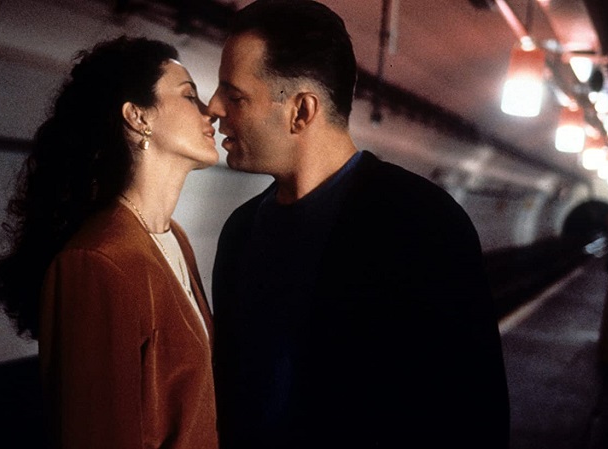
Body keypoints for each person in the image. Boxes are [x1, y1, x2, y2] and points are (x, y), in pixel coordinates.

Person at [207, 1, 510, 448]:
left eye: (234, 96)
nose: (213, 107)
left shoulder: (421, 224)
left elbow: (474, 411)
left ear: (301, 111)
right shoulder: (240, 230)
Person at [0, 36, 219, 449]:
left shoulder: (174, 237)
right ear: (138, 116)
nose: (209, 111)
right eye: (189, 95)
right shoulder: (96, 261)